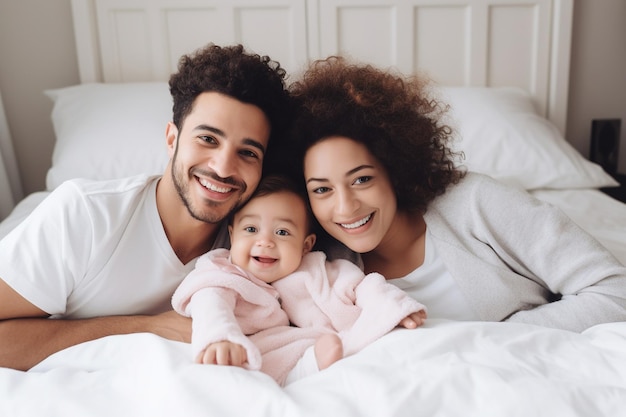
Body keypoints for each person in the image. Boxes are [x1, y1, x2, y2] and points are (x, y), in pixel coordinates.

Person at [0, 44, 293, 371]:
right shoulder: (84, 214)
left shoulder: (259, 244)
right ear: (172, 140)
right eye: (208, 139)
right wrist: (150, 327)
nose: (223, 167)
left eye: (248, 153)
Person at [288, 56, 626, 332]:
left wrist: (490, 339)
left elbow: (615, 291)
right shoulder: (319, 261)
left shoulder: (475, 202)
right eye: (322, 189)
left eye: (362, 179)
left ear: (394, 168)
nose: (345, 207)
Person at [172, 175, 427, 386]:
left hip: (322, 350)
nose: (265, 241)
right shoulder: (224, 272)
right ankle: (302, 370)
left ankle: (310, 367)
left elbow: (365, 286)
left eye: (282, 232)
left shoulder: (317, 270)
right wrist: (220, 337)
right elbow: (210, 304)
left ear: (306, 245)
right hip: (249, 355)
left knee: (333, 345)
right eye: (251, 229)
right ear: (232, 235)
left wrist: (393, 308)